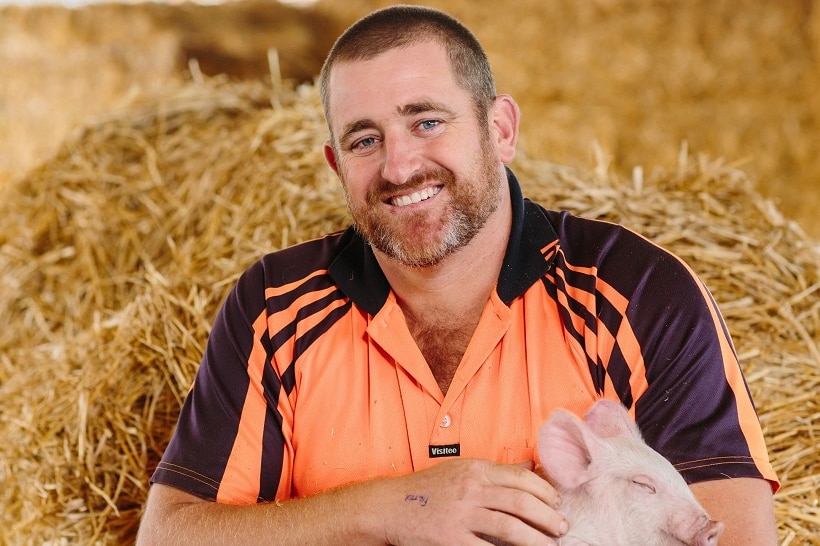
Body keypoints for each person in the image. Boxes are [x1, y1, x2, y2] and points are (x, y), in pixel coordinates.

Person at [137, 5, 779, 545]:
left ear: (499, 130)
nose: (399, 166)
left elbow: (730, 532)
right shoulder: (273, 306)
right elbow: (170, 534)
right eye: (365, 140)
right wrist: (390, 508)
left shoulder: (639, 293)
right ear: (336, 164)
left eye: (427, 122)